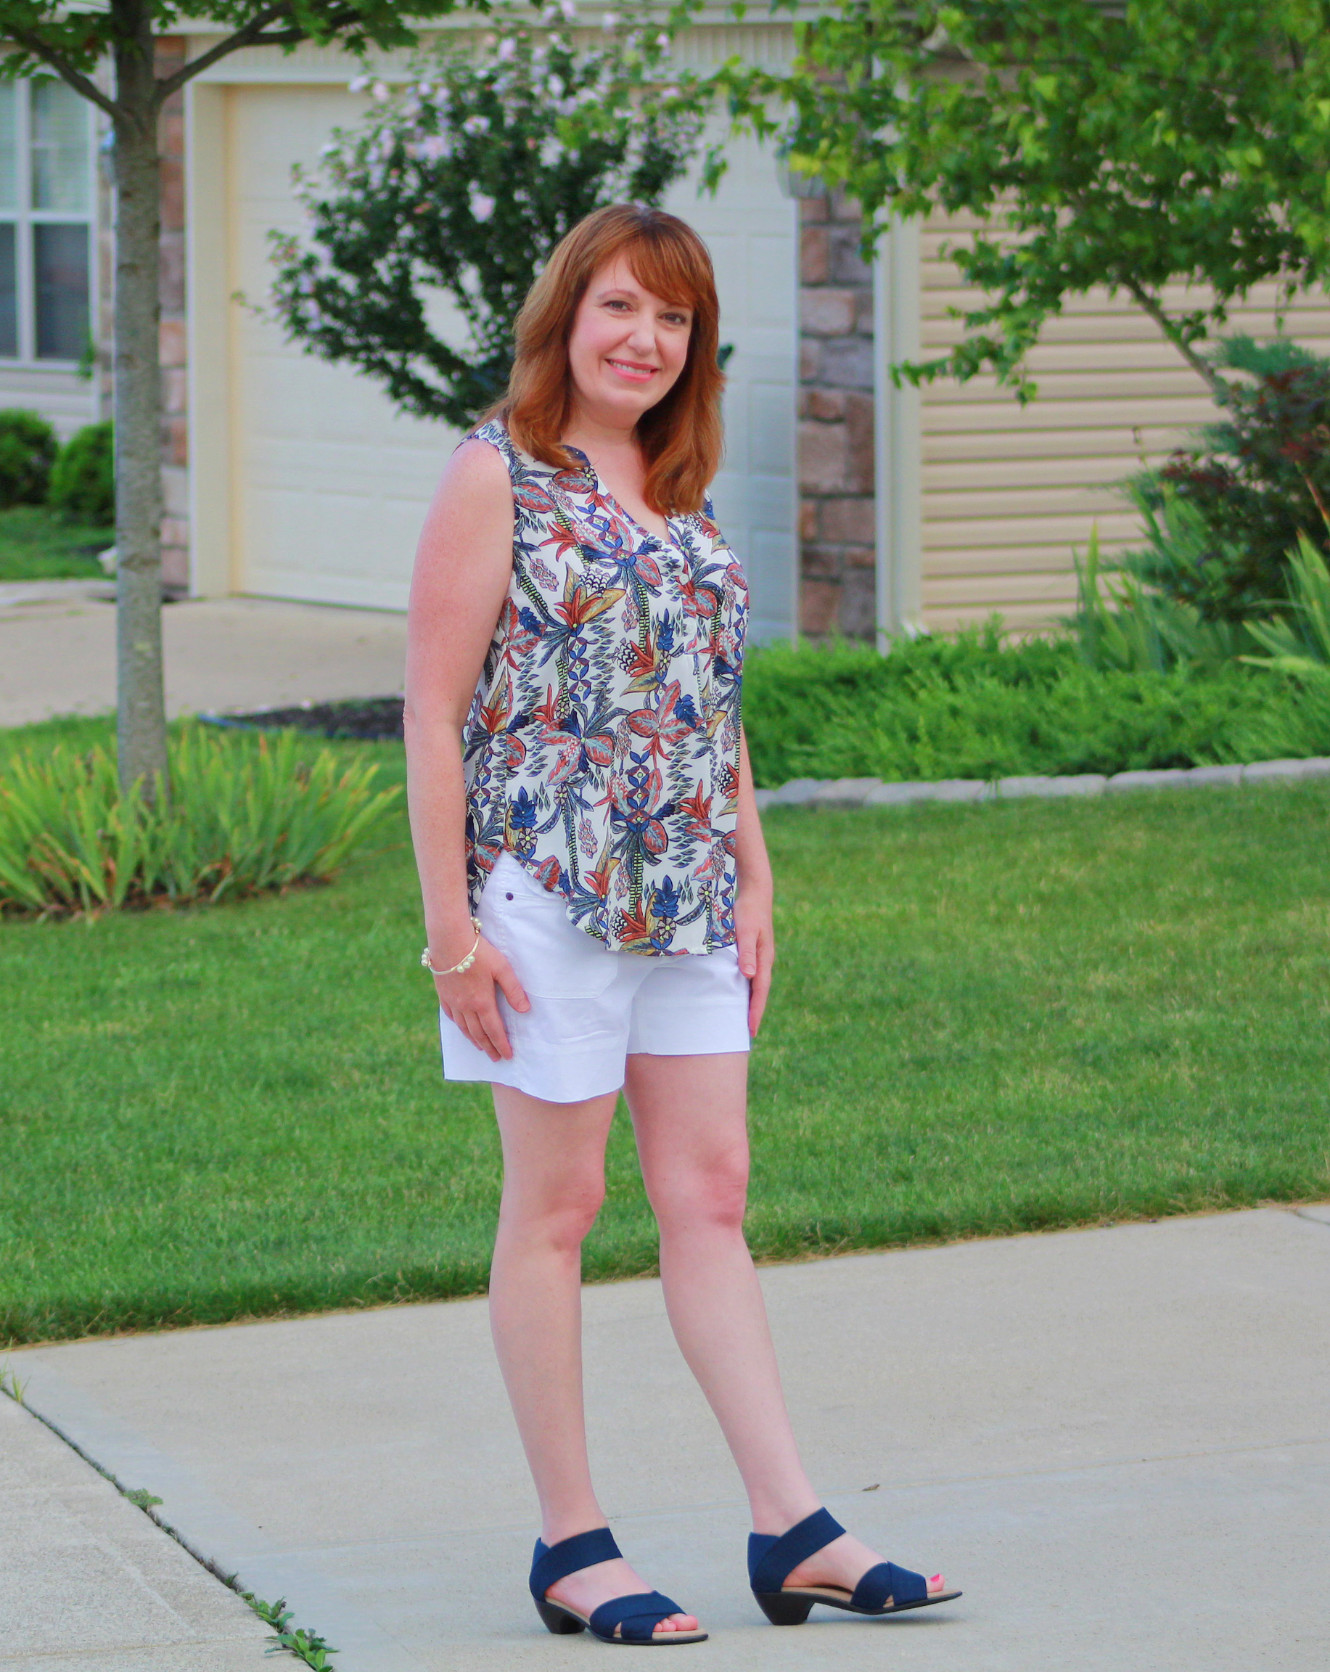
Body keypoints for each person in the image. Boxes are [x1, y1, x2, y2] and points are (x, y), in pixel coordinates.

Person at [404, 202, 959, 1647]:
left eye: (673, 319)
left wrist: (756, 875)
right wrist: (449, 930)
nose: (644, 340)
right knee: (560, 1210)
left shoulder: (682, 484)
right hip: (547, 899)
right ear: (564, 319)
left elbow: (711, 708)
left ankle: (796, 1530)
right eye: (619, 310)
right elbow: (428, 704)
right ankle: (571, 1547)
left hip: (694, 904)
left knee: (709, 1200)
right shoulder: (496, 477)